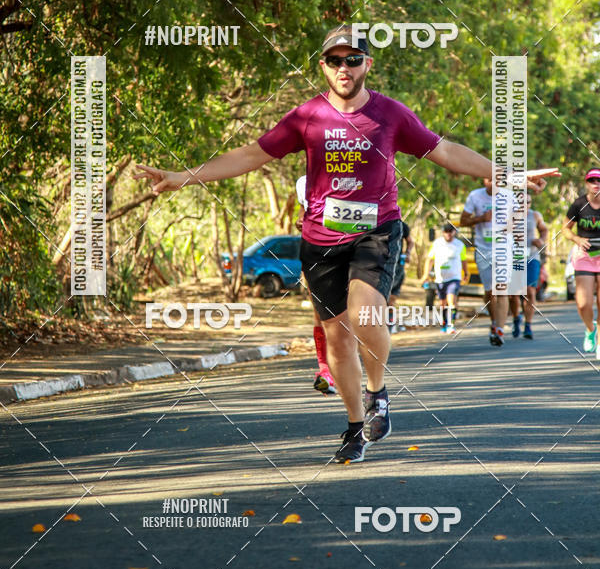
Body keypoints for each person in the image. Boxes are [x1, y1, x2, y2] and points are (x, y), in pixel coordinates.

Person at [134, 25, 558, 464]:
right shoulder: (306, 117)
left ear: (367, 65)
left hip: (376, 233)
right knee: (337, 339)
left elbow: (446, 152)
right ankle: (356, 426)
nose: (343, 67)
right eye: (334, 60)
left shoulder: (390, 115)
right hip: (319, 241)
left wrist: (509, 173)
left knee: (367, 314)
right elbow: (249, 155)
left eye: (352, 59)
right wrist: (183, 176)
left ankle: (378, 391)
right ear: (323, 66)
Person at [460, 180, 523, 347]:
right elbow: (463, 221)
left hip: (503, 248)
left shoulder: (509, 195)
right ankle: (494, 322)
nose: (493, 182)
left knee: (501, 289)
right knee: (489, 293)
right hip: (483, 249)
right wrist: (480, 218)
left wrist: (509, 227)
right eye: (489, 179)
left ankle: (500, 331)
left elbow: (518, 216)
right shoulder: (475, 196)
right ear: (483, 180)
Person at [295, 174, 336, 394]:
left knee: (347, 313)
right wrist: (301, 220)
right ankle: (324, 371)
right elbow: (303, 212)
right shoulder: (303, 182)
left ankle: (343, 367)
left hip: (349, 252)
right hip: (315, 252)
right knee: (319, 312)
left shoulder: (352, 175)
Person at [562, 167, 600, 354]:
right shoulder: (579, 205)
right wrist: (577, 239)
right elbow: (566, 229)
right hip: (585, 256)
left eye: (599, 181)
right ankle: (590, 330)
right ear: (586, 183)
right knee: (583, 303)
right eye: (592, 181)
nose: (596, 184)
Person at [422, 223, 468, 334]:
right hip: (440, 279)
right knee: (443, 303)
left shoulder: (460, 245)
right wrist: (426, 275)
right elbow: (430, 260)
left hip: (454, 278)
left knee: (451, 301)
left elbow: (463, 260)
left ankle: (451, 325)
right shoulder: (437, 244)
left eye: (450, 231)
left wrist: (466, 273)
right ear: (443, 232)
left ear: (454, 232)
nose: (448, 233)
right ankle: (444, 323)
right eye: (446, 231)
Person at [512, 195, 548, 340]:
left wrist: (541, 240)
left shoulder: (535, 215)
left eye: (527, 202)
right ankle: (516, 319)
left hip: (532, 257)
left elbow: (544, 230)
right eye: (521, 202)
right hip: (514, 257)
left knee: (530, 291)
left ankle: (528, 325)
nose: (524, 204)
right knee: (513, 294)